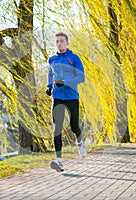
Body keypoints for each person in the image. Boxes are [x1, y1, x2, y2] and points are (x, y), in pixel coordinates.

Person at [46, 32, 87, 172]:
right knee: (57, 128)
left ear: (67, 43)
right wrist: (49, 87)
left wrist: (66, 83)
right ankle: (59, 161)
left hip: (72, 97)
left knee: (74, 126)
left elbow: (81, 77)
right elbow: (50, 74)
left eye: (62, 41)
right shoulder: (51, 59)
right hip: (57, 98)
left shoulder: (74, 58)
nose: (59, 43)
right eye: (57, 41)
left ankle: (80, 141)